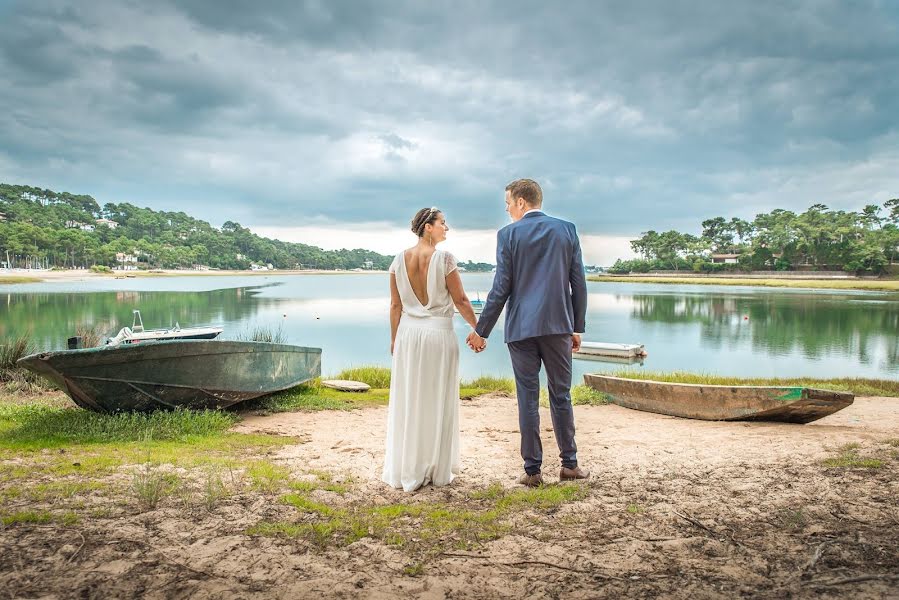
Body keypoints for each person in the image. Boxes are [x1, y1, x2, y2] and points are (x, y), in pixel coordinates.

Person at [467, 179, 588, 487]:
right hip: (558, 326)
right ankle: (569, 465)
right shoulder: (567, 230)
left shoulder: (508, 235)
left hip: (521, 329)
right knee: (561, 395)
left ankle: (533, 471)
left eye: (508, 203)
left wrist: (482, 330)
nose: (507, 209)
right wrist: (576, 327)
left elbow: (501, 287)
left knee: (528, 398)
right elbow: (579, 284)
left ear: (521, 202)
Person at [382, 207, 485, 492]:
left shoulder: (398, 261)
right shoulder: (444, 259)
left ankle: (409, 466)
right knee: (436, 396)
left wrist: (394, 340)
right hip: (438, 334)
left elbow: (395, 306)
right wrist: (479, 329)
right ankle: (436, 468)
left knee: (410, 397)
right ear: (428, 227)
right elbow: (462, 300)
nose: (446, 228)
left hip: (408, 335)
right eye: (443, 223)